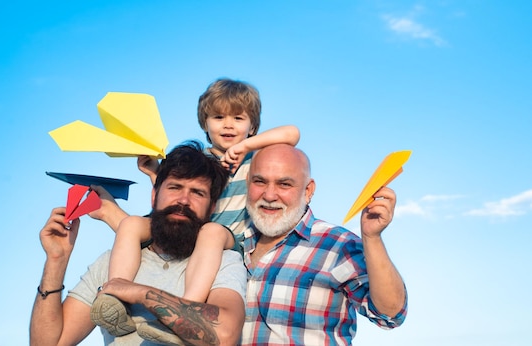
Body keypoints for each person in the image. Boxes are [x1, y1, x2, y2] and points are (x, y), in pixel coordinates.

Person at [97, 78, 299, 339]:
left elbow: (292, 133)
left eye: (238, 118)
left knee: (211, 231)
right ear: (205, 123)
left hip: (225, 237)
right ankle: (115, 296)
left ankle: (183, 312)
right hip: (187, 230)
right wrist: (155, 172)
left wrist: (245, 146)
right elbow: (178, 196)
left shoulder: (254, 158)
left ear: (252, 127)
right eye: (218, 117)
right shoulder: (199, 158)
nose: (228, 124)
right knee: (131, 224)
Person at [29, 141, 247, 346]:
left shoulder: (223, 262)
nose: (183, 200)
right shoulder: (113, 261)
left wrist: (139, 293)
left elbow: (225, 335)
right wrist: (57, 259)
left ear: (212, 208)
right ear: (154, 196)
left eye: (197, 193)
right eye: (174, 187)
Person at [240, 144, 408, 345]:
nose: (269, 195)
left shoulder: (338, 244)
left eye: (284, 184)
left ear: (308, 190)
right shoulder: (233, 243)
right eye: (260, 181)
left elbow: (390, 314)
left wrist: (372, 238)